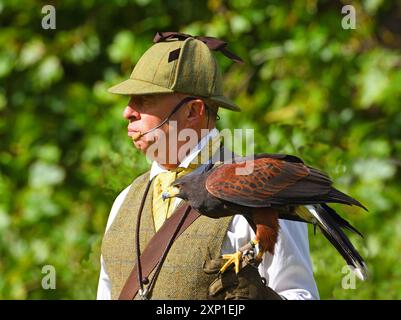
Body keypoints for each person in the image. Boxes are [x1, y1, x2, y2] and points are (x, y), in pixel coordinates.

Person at [97, 32, 319, 300]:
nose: (128, 112)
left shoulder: (256, 185)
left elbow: (300, 294)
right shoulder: (124, 202)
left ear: (193, 111)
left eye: (145, 99)